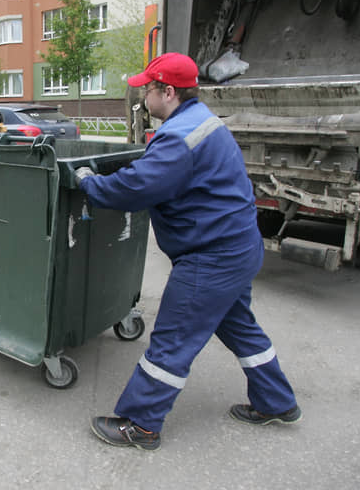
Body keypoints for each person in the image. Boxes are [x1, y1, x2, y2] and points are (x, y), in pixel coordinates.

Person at [75, 53, 300, 451]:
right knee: (241, 328)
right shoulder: (202, 122)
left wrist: (89, 182)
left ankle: (141, 424)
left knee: (173, 339)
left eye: (147, 88)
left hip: (211, 257)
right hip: (239, 247)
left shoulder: (179, 138)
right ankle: (277, 402)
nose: (143, 95)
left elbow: (136, 188)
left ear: (168, 91)